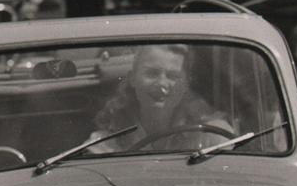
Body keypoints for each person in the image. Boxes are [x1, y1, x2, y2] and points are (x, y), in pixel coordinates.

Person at [87, 43, 233, 152]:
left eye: (173, 76)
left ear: (186, 83)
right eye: (151, 73)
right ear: (132, 79)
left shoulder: (211, 134)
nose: (162, 84)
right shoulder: (106, 142)